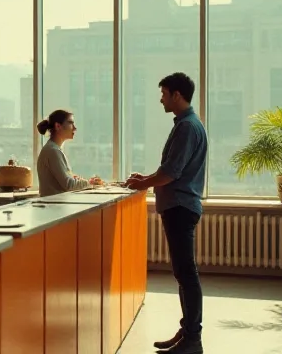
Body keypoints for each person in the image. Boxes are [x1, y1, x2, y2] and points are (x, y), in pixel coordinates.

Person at [126, 72, 207, 354]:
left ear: (177, 95)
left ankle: (192, 339)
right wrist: (146, 178)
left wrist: (143, 183)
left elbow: (171, 173)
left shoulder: (187, 127)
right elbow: (171, 170)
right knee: (184, 273)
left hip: (180, 207)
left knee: (186, 274)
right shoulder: (188, 124)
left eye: (164, 93)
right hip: (180, 206)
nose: (160, 98)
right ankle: (187, 332)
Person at [35, 109, 102, 197]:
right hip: (54, 207)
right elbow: (69, 185)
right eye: (70, 123)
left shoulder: (54, 149)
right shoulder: (53, 151)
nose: (75, 128)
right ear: (58, 126)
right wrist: (90, 183)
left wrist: (80, 180)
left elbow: (65, 180)